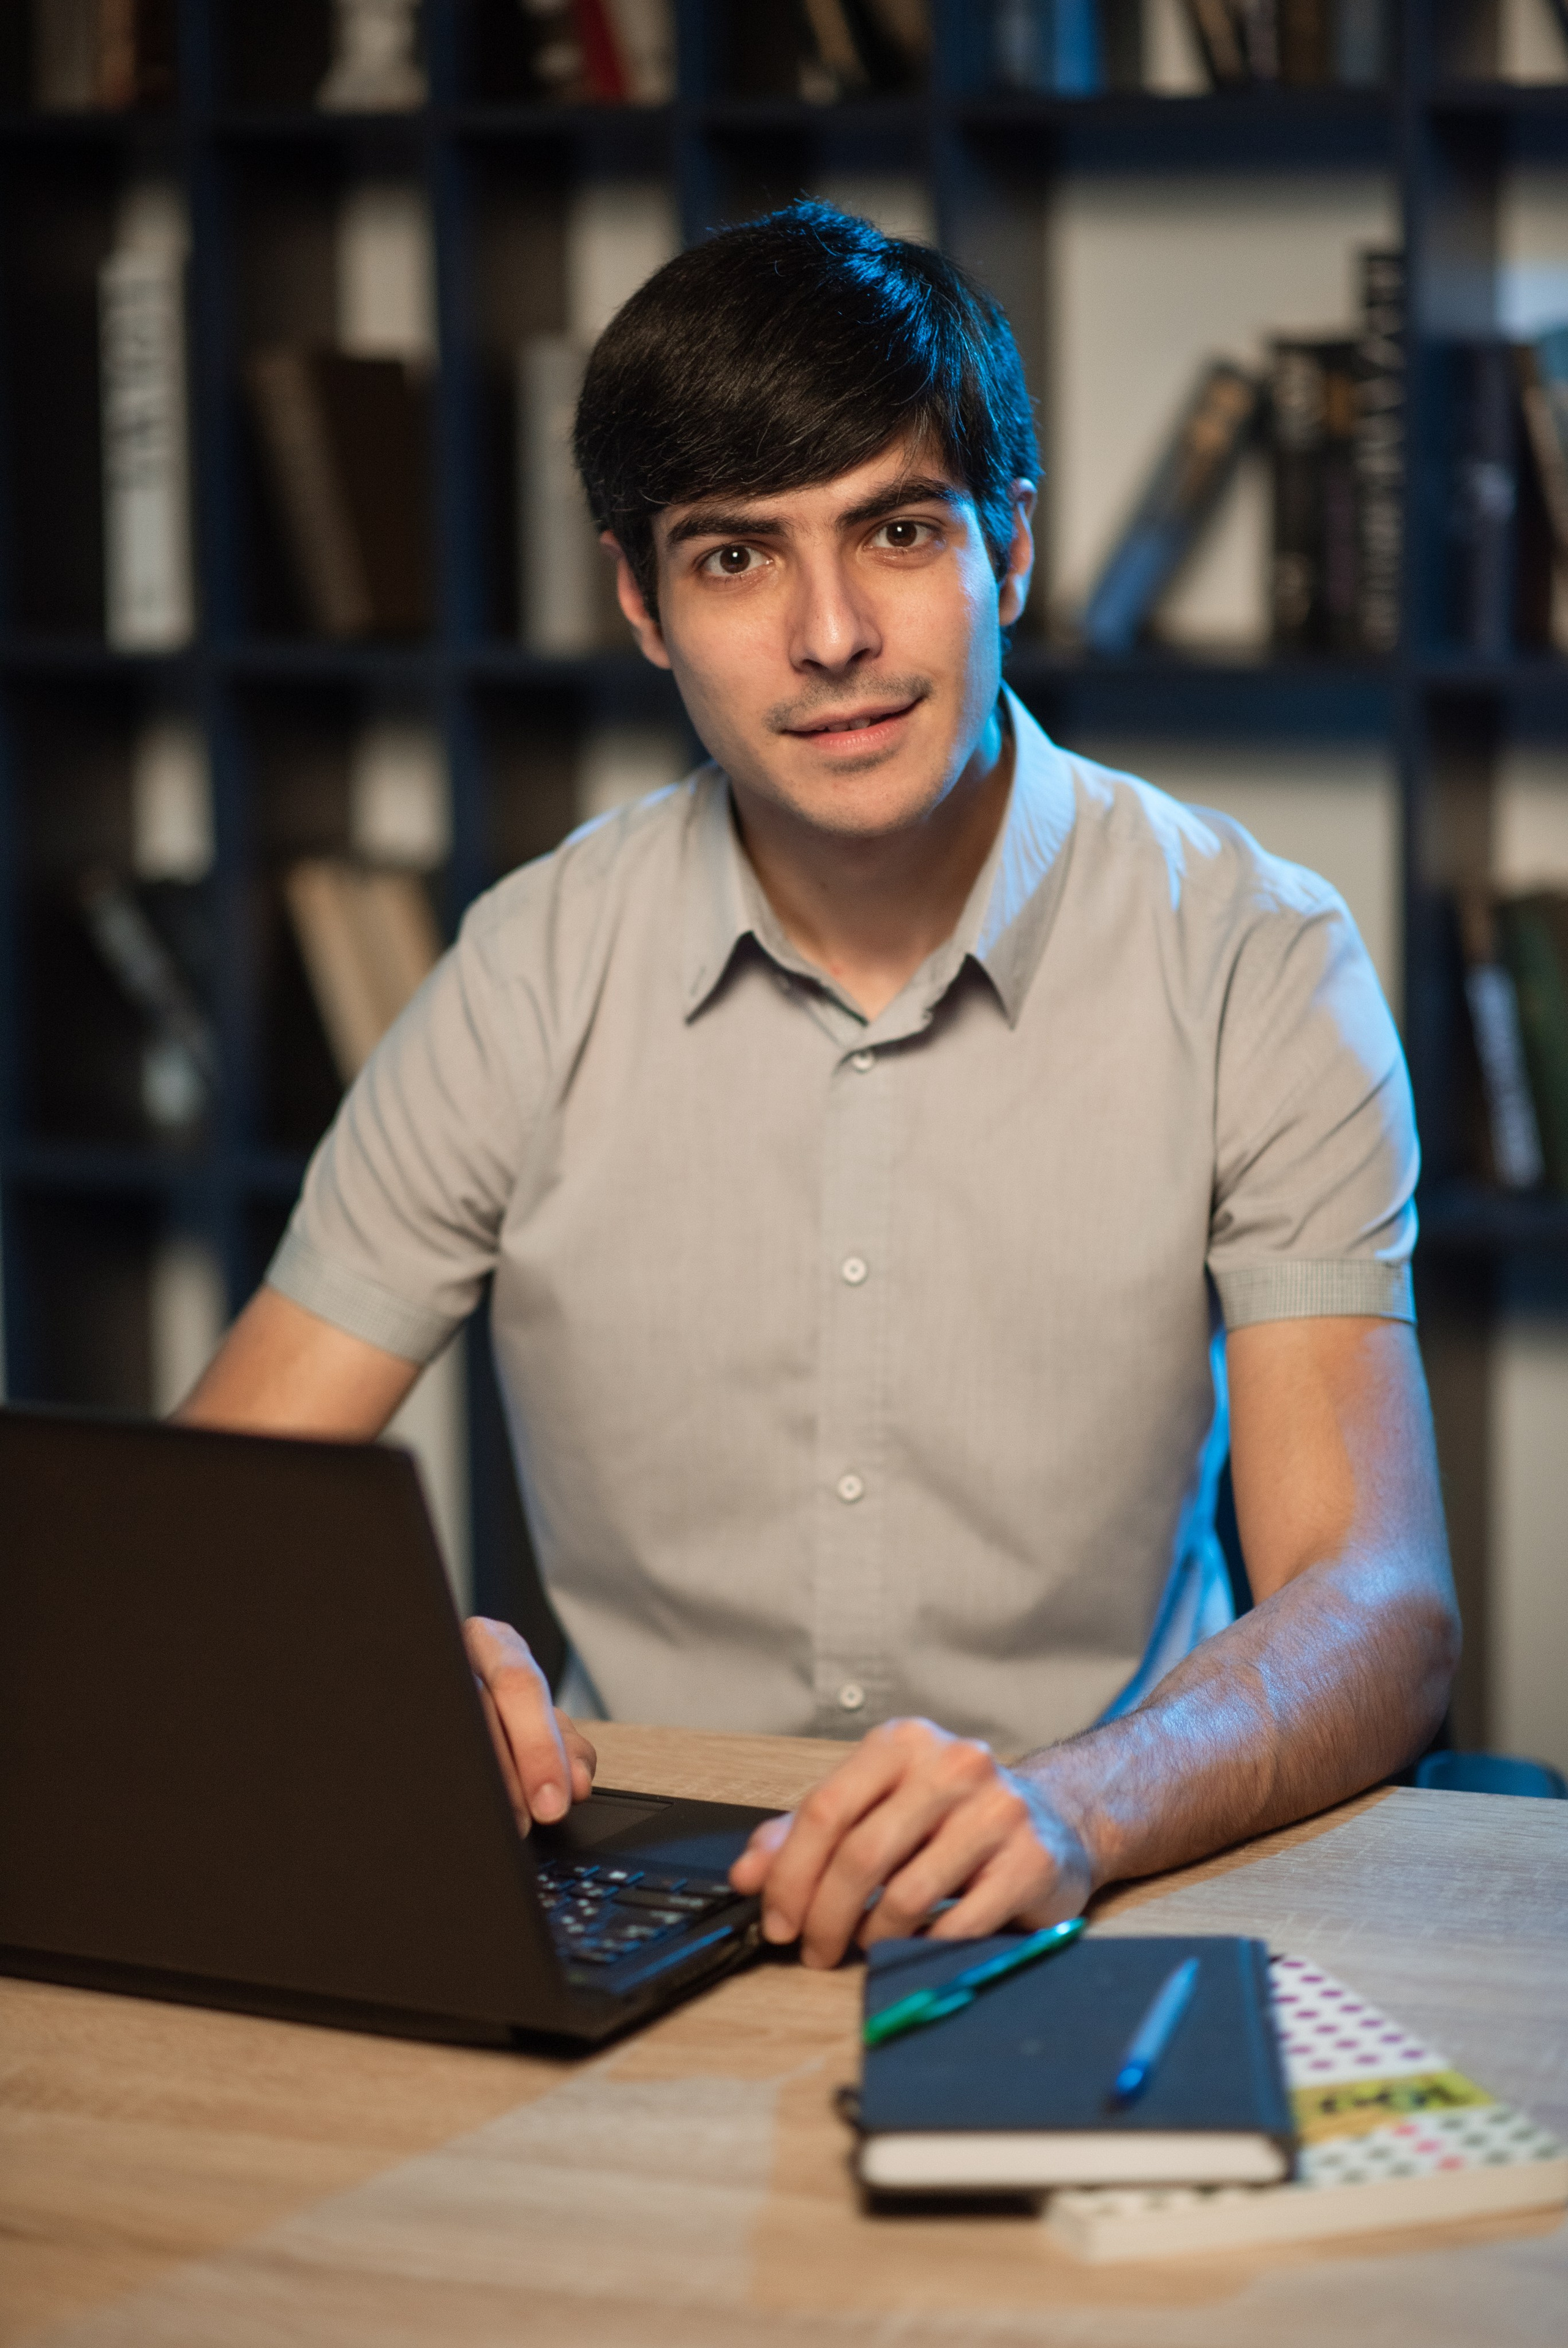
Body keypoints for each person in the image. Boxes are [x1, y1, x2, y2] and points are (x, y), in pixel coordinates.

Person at [179, 202, 1458, 1969]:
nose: (833, 632)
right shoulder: (532, 965)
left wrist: (1079, 1801)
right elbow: (197, 1531)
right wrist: (381, 1682)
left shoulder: (1253, 955)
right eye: (735, 559)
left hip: (1116, 1882)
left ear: (1010, 547)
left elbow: (1380, 1608)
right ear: (641, 603)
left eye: (898, 529)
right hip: (635, 1895)